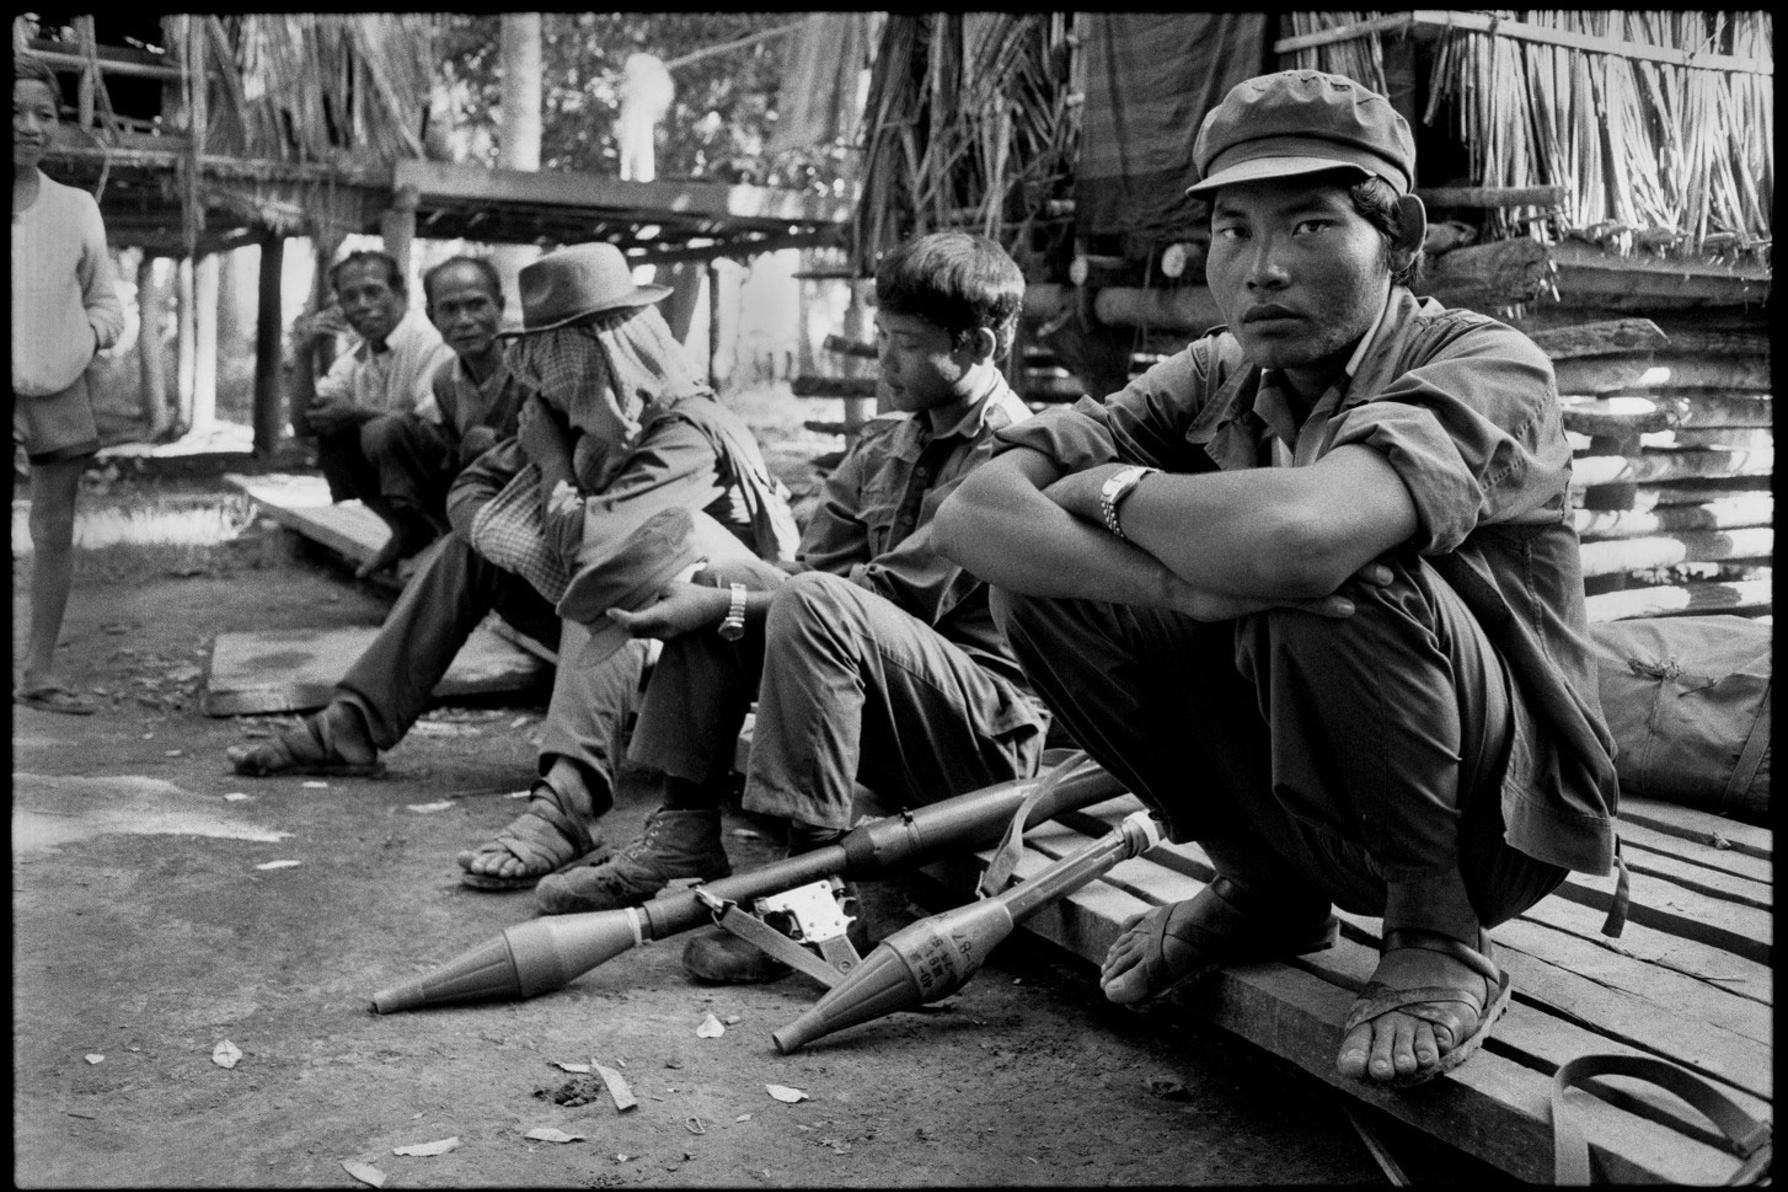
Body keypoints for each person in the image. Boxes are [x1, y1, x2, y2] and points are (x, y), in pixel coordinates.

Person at [932, 70, 1619, 1089]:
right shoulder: (1217, 369)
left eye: (1307, 227)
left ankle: (1436, 930)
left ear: (1401, 240)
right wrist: (1179, 591)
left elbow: (1302, 540)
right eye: (1233, 232)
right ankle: (1264, 881)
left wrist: (1113, 487)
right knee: (1042, 587)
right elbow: (977, 514)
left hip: (1495, 822)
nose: (1263, 271)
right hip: (1309, 796)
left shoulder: (1487, 363)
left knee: (1339, 578)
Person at [533, 231, 1052, 988]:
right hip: (881, 721)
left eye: (904, 343)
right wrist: (719, 596)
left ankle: (810, 891)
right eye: (880, 336)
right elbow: (803, 584)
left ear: (978, 344)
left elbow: (862, 598)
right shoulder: (884, 450)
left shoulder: (1019, 457)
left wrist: (725, 602)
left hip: (981, 739)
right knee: (728, 579)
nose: (883, 359)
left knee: (769, 598)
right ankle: (683, 829)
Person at [228, 242, 799, 897]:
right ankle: (351, 727)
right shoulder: (570, 411)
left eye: (561, 360)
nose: (546, 379)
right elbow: (471, 493)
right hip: (621, 617)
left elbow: (606, 556)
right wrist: (530, 523)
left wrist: (552, 471)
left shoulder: (683, 429)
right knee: (465, 551)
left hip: (709, 638)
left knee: (603, 590)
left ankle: (566, 806)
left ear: (602, 350)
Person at [12, 53, 125, 715]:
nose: (30, 126)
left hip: (58, 389)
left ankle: (38, 673)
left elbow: (107, 304)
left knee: (53, 532)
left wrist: (83, 340)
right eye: (15, 112)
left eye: (44, 115)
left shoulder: (78, 208)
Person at [299, 249, 457, 577]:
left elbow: (436, 419)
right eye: (350, 297)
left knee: (381, 430)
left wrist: (357, 413)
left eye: (373, 291)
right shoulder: (360, 357)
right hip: (414, 462)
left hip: (455, 466)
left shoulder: (428, 340)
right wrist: (304, 353)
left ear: (400, 294)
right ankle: (406, 530)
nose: (362, 305)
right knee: (334, 430)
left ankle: (446, 533)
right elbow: (304, 424)